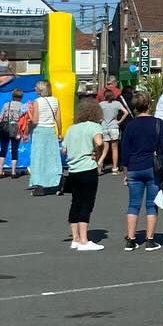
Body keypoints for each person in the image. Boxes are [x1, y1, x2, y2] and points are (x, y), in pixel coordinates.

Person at [120, 93, 163, 251]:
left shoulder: (130, 125)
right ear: (149, 105)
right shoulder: (159, 123)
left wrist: (125, 172)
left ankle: (131, 239)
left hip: (134, 167)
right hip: (152, 167)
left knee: (133, 204)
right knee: (151, 204)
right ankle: (150, 240)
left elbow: (125, 151)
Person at [61, 98, 106, 251]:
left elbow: (64, 150)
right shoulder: (95, 126)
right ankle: (84, 240)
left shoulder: (71, 129)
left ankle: (75, 238)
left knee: (76, 202)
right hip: (87, 168)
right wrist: (96, 154)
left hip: (73, 170)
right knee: (87, 203)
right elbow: (99, 142)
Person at [27, 80, 63, 195]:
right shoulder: (55, 100)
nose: (35, 88)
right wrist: (60, 132)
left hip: (39, 131)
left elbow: (35, 120)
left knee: (38, 158)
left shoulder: (37, 101)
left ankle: (39, 185)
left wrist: (28, 116)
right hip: (51, 130)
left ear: (40, 89)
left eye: (36, 87)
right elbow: (58, 119)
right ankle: (56, 181)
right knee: (52, 157)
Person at [0, 88, 26, 178]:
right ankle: (13, 172)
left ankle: (0, 171)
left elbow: (0, 118)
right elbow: (23, 120)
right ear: (21, 97)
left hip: (5, 128)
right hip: (16, 128)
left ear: (12, 96)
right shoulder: (23, 106)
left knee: (3, 149)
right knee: (14, 150)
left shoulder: (6, 104)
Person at [97, 88, 128, 175]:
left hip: (104, 126)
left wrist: (101, 120)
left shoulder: (101, 104)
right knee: (114, 149)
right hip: (114, 126)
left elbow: (98, 115)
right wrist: (119, 121)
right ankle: (114, 168)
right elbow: (126, 112)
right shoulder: (117, 103)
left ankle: (100, 162)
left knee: (105, 148)